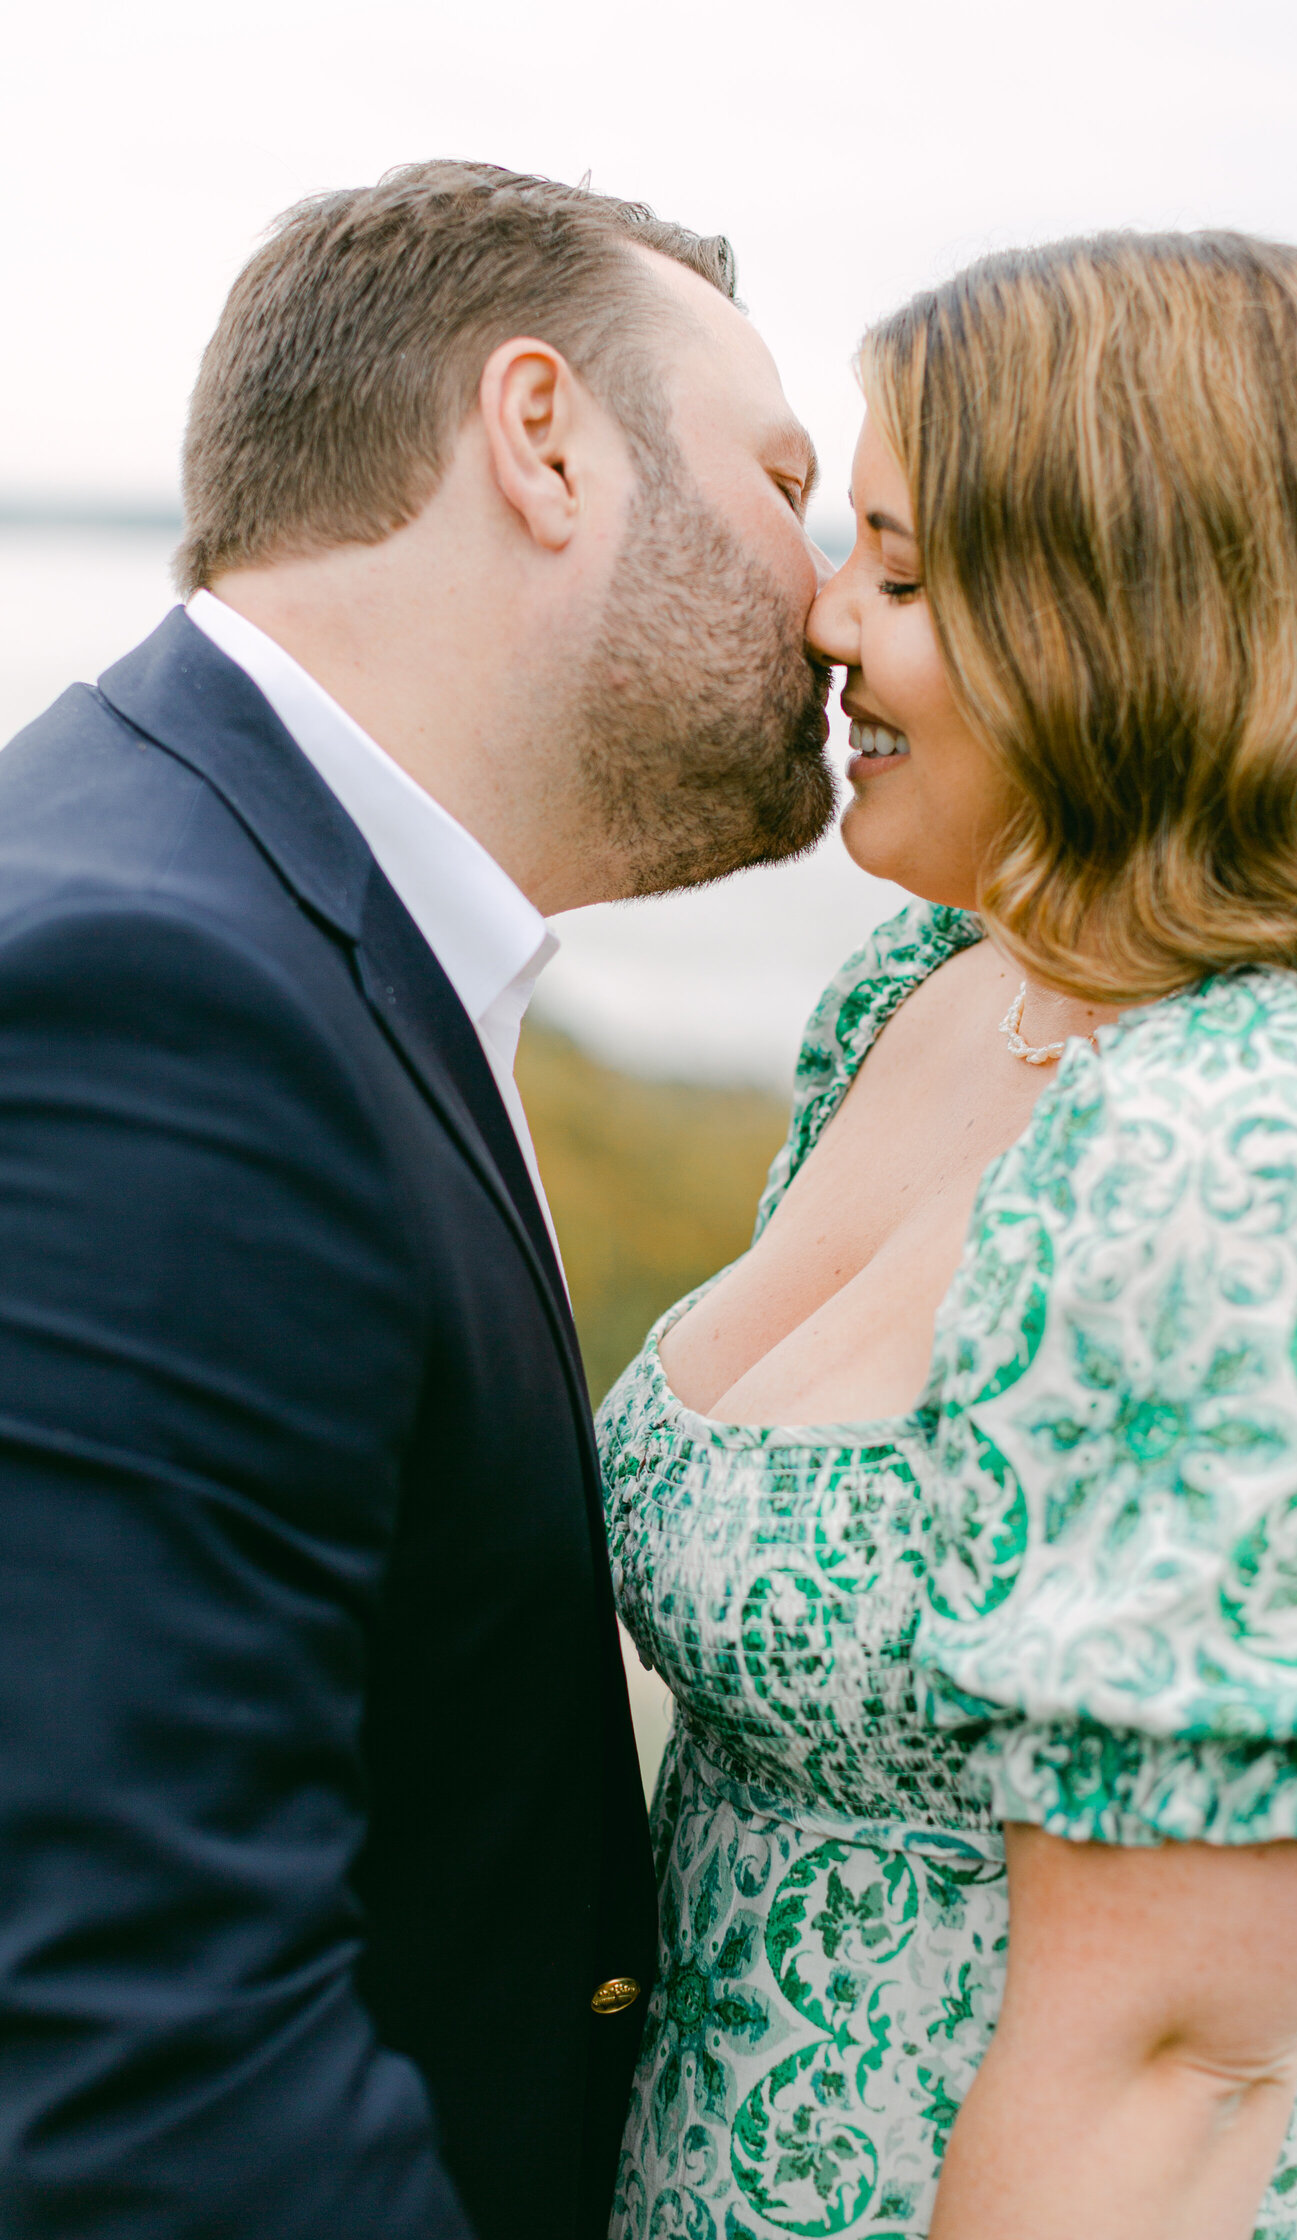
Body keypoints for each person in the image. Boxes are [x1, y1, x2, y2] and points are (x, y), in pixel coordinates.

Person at [602, 231, 1297, 2240]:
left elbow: (1171, 2066)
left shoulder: (1280, 1150)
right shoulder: (922, 986)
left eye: (898, 572)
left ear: (1138, 616)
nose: (819, 618)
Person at [0, 161, 834, 2240]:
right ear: (540, 437)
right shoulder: (158, 1001)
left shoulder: (253, 896)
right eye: (778, 476)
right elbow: (148, 2055)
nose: (826, 594)